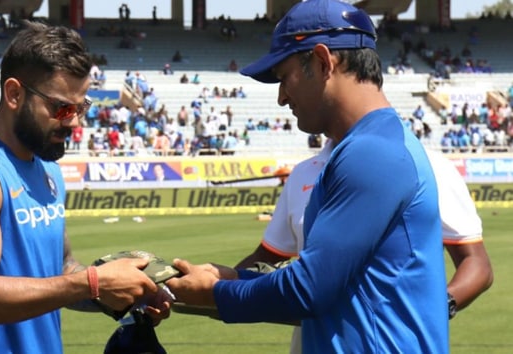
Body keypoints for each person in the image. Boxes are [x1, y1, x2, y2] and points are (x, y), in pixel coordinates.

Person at [166, 0, 448, 352]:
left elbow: (309, 289)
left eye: (285, 78)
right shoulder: (371, 145)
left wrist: (213, 293)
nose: (282, 97)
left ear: (322, 61)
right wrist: (233, 278)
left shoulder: (372, 153)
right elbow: (333, 286)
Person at [0, 21, 171, 354]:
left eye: (81, 107)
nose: (75, 121)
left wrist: (123, 292)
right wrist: (94, 282)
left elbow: (60, 271)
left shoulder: (48, 169)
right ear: (14, 94)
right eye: (62, 108)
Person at [235, 139, 493, 354]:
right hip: (313, 344)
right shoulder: (304, 172)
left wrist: (440, 304)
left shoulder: (431, 165)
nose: (283, 98)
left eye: (286, 78)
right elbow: (267, 256)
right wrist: (212, 286)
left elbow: (477, 264)